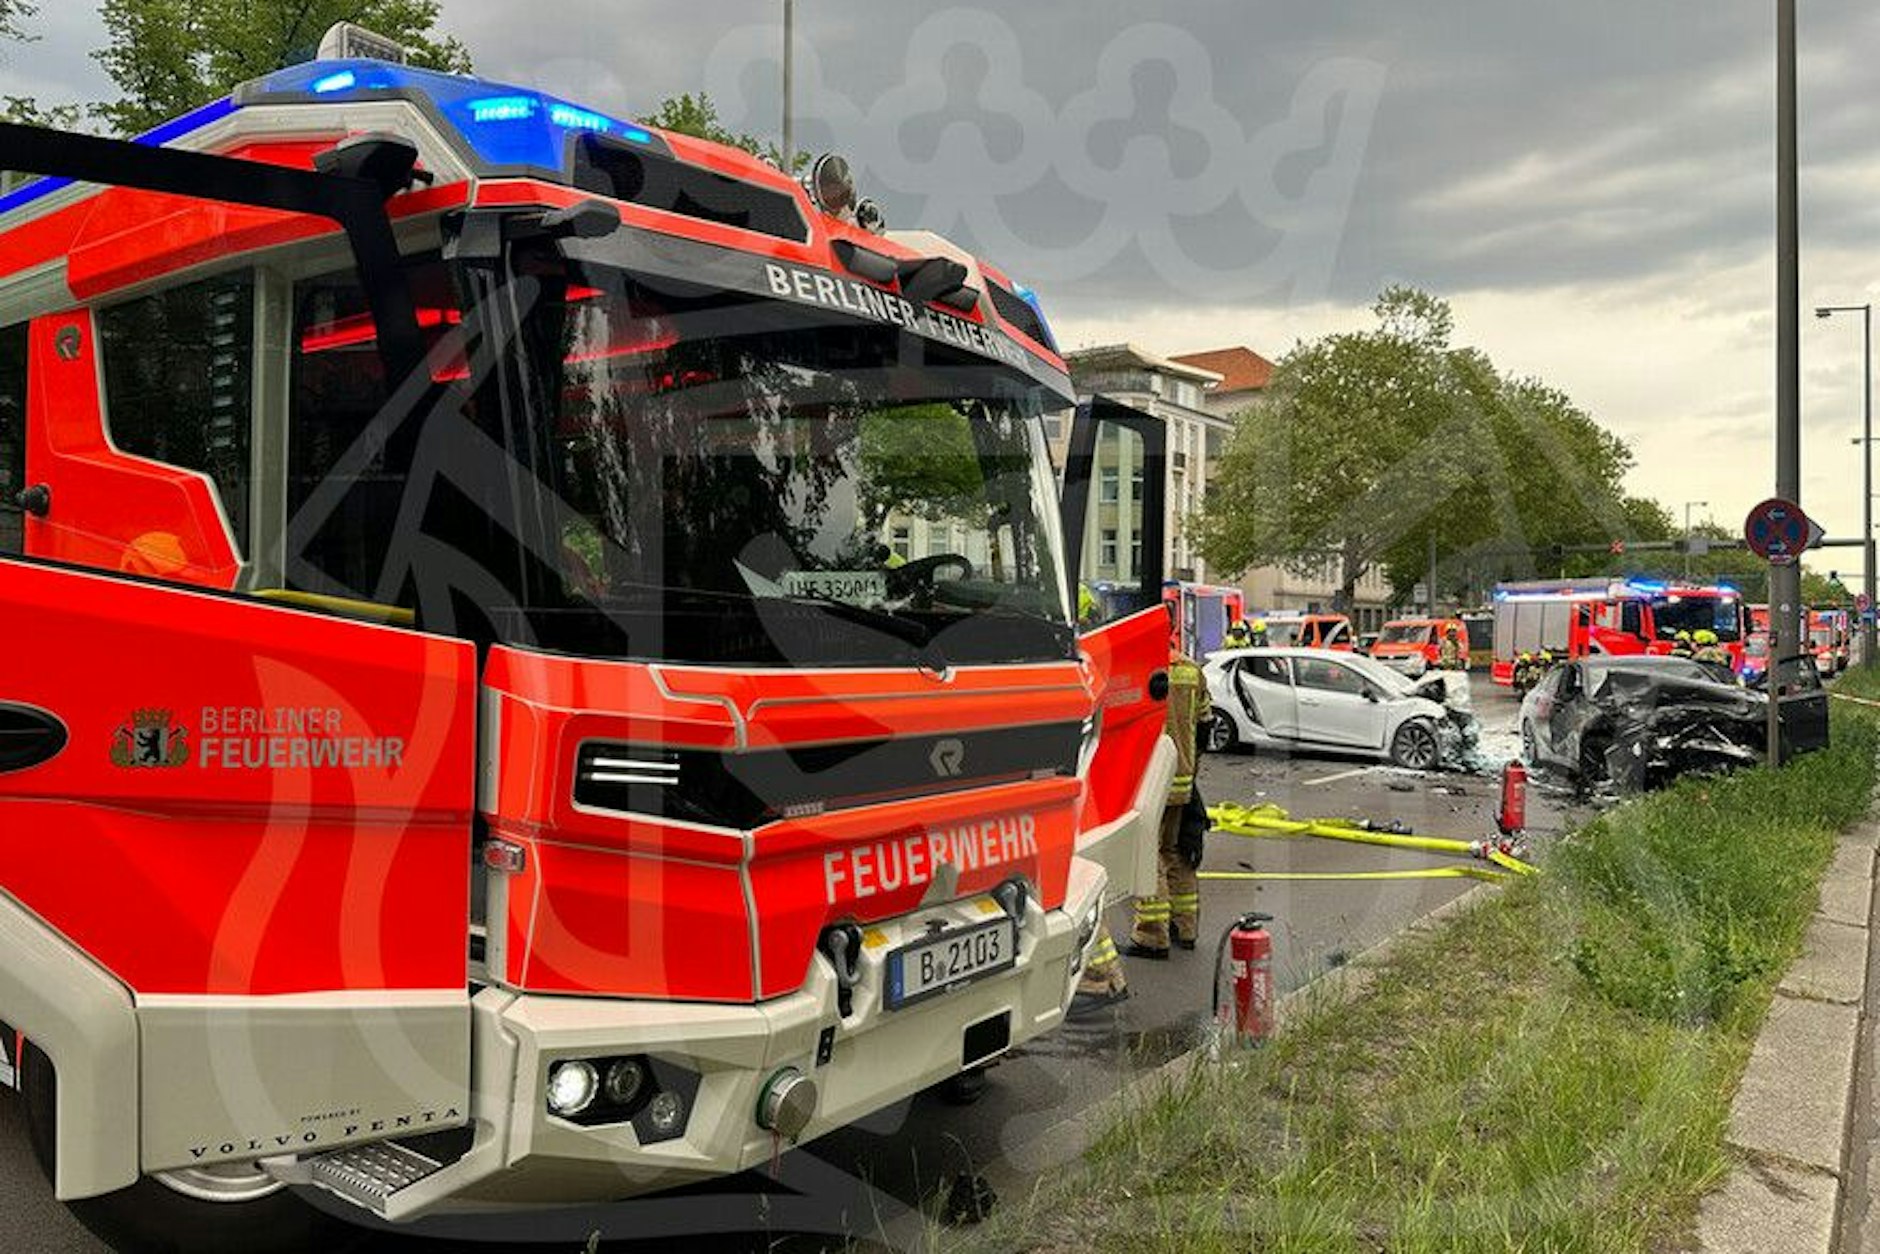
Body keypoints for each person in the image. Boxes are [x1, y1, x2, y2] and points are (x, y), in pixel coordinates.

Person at [1128, 620, 1211, 959]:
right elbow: (1205, 724)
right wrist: (1191, 766)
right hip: (1183, 779)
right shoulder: (1192, 671)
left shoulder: (1141, 671)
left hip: (1151, 779)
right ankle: (1185, 928)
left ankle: (1152, 936)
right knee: (1176, 851)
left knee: (1149, 856)